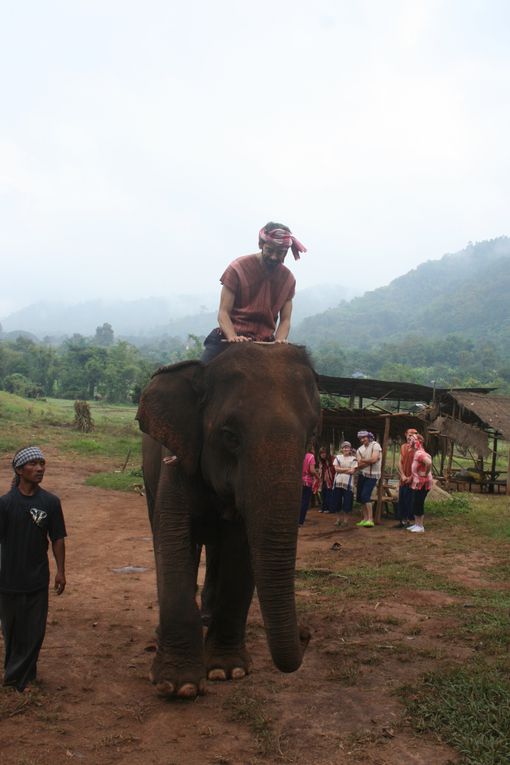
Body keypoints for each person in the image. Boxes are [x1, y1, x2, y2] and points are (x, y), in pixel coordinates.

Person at [0, 447, 67, 692]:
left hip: (38, 578)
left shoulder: (50, 502)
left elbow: (58, 538)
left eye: (42, 464)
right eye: (34, 464)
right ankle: (18, 676)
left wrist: (60, 571)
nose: (40, 469)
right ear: (19, 470)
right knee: (13, 632)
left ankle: (18, 680)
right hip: (7, 580)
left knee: (35, 632)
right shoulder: (5, 504)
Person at [201, 221, 307, 363]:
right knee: (201, 375)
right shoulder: (237, 268)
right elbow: (223, 312)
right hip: (228, 338)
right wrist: (233, 337)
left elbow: (285, 319)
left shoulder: (288, 279)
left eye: (280, 253)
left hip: (265, 343)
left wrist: (280, 341)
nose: (274, 257)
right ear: (260, 245)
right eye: (270, 250)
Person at [355, 431, 382, 528]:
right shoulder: (359, 449)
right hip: (363, 474)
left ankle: (370, 519)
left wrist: (363, 461)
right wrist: (368, 461)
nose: (362, 440)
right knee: (360, 497)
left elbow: (374, 459)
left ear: (369, 437)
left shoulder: (375, 445)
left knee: (365, 495)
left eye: (364, 437)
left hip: (373, 475)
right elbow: (359, 465)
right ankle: (365, 519)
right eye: (361, 438)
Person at [407, 434, 432, 533]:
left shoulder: (419, 453)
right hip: (418, 483)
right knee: (415, 502)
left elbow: (429, 462)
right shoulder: (418, 452)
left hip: (423, 483)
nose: (409, 443)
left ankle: (420, 526)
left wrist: (425, 473)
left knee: (418, 503)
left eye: (411, 441)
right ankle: (417, 524)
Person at [395, 428, 419, 529]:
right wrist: (403, 475)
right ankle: (402, 521)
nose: (411, 436)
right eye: (409, 434)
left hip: (413, 479)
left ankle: (410, 521)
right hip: (403, 478)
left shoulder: (418, 448)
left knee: (411, 500)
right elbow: (399, 462)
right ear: (406, 434)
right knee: (402, 499)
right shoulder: (403, 447)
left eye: (414, 434)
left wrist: (411, 477)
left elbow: (419, 465)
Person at [332, 441, 358, 528]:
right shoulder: (338, 457)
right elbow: (336, 469)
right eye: (344, 447)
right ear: (341, 449)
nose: (346, 449)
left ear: (350, 449)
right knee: (337, 501)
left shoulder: (353, 459)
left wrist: (342, 469)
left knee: (347, 502)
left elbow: (353, 471)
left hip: (348, 484)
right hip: (338, 483)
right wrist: (347, 469)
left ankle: (345, 521)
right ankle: (338, 520)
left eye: (347, 447)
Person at [299, 445, 318, 526]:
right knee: (305, 501)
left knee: (299, 501)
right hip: (307, 482)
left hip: (298, 481)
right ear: (311, 449)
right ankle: (300, 521)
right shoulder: (311, 456)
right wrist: (318, 476)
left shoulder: (299, 455)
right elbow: (312, 470)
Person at [317, 447, 336, 514]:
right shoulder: (321, 461)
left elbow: (334, 469)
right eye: (321, 453)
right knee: (323, 494)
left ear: (326, 453)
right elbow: (320, 470)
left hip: (330, 480)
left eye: (324, 453)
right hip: (323, 480)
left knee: (329, 494)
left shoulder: (331, 459)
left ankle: (329, 509)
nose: (323, 454)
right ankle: (323, 508)